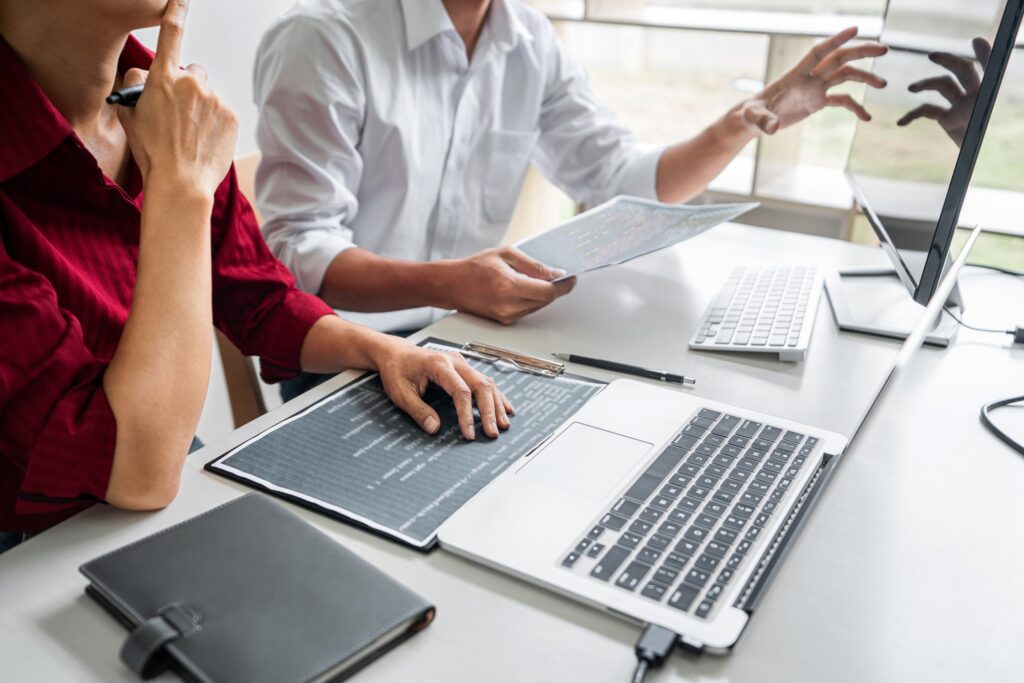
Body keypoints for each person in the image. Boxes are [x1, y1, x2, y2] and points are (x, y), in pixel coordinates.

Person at [0, 0, 512, 553]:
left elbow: (259, 299)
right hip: (37, 539)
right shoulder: (176, 140)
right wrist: (180, 187)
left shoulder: (171, 112)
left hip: (155, 477)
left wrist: (383, 349)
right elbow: (135, 469)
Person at [254, 0, 888, 400]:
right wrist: (450, 284)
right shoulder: (324, 34)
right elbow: (299, 252)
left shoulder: (528, 38)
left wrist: (743, 123)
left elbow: (620, 180)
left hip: (469, 337)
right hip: (350, 354)